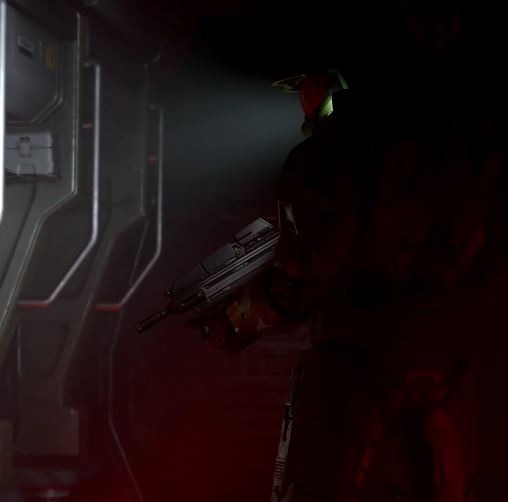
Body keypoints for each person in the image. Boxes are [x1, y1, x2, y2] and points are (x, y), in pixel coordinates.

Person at [188, 1, 504, 499]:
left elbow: (302, 273)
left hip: (361, 363)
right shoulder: (478, 135)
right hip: (450, 369)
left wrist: (237, 321)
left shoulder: (338, 152)